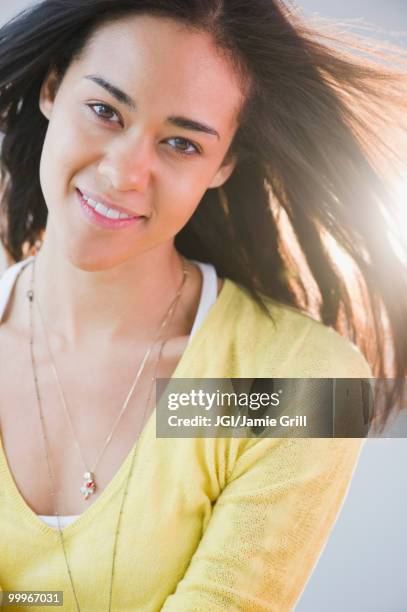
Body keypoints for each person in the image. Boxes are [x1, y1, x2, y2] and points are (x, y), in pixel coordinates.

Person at [0, 1, 405, 610]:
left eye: (182, 144)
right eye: (106, 111)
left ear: (224, 165)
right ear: (53, 88)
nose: (126, 171)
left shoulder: (293, 376)